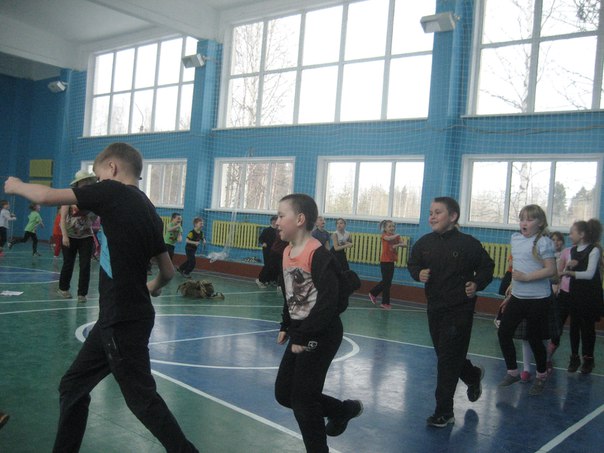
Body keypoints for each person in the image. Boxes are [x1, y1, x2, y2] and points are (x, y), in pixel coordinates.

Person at [4, 142, 199, 453]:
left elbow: (46, 196)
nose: (98, 182)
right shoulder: (150, 209)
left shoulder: (112, 191)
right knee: (72, 386)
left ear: (112, 168)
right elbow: (167, 271)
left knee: (143, 400)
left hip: (121, 320)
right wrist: (149, 287)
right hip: (120, 318)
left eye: (98, 176)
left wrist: (15, 185)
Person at [274, 193, 362, 453]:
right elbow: (291, 294)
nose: (277, 222)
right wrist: (286, 324)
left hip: (322, 333)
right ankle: (343, 410)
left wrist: (303, 336)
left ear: (300, 219)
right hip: (302, 331)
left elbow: (328, 302)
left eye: (281, 216)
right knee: (284, 394)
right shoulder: (287, 251)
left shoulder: (318, 255)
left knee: (303, 400)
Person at [408, 197, 494, 428]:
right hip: (435, 308)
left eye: (438, 212)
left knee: (447, 360)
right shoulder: (425, 243)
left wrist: (477, 283)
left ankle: (444, 412)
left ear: (453, 216)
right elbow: (413, 264)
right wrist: (418, 274)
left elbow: (487, 267)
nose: (432, 217)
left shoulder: (468, 244)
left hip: (460, 310)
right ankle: (472, 375)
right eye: (430, 212)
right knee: (447, 355)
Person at [497, 204, 556, 396]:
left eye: (530, 219)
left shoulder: (543, 242)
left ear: (540, 223)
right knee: (504, 332)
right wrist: (511, 293)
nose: (524, 223)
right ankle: (512, 371)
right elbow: (518, 268)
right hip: (518, 297)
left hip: (538, 299)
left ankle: (541, 375)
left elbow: (551, 270)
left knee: (534, 338)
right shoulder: (515, 239)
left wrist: (527, 278)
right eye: (522, 219)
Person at [560, 219, 603, 374]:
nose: (570, 235)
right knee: (574, 327)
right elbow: (567, 271)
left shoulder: (594, 250)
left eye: (572, 233)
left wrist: (570, 272)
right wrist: (568, 267)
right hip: (575, 293)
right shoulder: (572, 250)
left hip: (589, 295)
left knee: (587, 328)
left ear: (582, 234)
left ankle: (588, 359)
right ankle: (574, 357)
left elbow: (589, 274)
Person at [57, 170, 98, 303]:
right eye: (84, 181)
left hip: (86, 236)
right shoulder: (68, 197)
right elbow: (62, 219)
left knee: (85, 265)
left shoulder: (92, 198)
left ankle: (82, 293)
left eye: (88, 181)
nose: (86, 183)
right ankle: (63, 288)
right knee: (68, 263)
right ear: (78, 183)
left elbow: (94, 217)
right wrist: (64, 236)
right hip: (70, 235)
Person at [368, 220, 406, 310]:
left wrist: (397, 245)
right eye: (389, 226)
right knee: (386, 283)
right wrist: (397, 235)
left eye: (393, 226)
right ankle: (384, 303)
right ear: (385, 228)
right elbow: (389, 239)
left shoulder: (396, 236)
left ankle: (373, 293)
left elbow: (404, 245)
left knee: (387, 282)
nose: (392, 228)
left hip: (391, 262)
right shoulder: (384, 235)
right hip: (384, 262)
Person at [256, 215, 278, 288]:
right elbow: (260, 238)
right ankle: (260, 280)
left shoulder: (278, 231)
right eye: (275, 220)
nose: (276, 222)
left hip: (275, 251)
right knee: (268, 264)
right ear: (272, 221)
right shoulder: (266, 230)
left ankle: (270, 280)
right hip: (267, 250)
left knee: (274, 265)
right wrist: (263, 243)